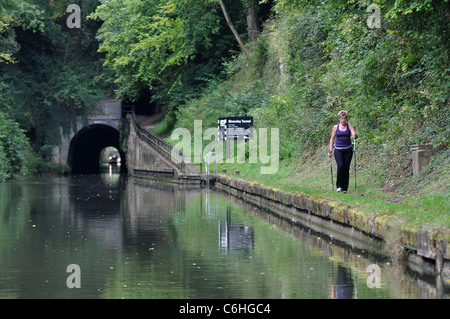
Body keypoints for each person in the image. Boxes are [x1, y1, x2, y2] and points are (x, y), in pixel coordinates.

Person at [328, 110, 357, 193]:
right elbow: (332, 138)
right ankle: (339, 186)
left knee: (346, 168)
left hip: (348, 150)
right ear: (339, 119)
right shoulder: (335, 127)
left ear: (346, 119)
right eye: (341, 118)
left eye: (344, 118)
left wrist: (354, 135)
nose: (343, 120)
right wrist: (330, 150)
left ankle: (345, 188)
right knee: (340, 166)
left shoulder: (349, 126)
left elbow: (354, 134)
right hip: (338, 150)